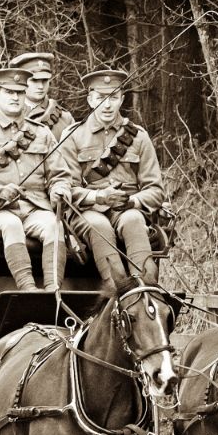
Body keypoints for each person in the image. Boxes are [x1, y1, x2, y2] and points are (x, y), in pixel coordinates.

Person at [0, 67, 72, 291]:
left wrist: (60, 190)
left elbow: (59, 175)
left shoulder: (41, 133)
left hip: (35, 208)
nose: (15, 97)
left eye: (19, 92)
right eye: (8, 92)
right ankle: (28, 289)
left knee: (53, 225)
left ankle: (52, 290)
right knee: (11, 225)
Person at [59, 69, 164, 285]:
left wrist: (132, 201)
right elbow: (66, 188)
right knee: (99, 225)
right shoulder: (73, 136)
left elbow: (155, 190)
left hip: (127, 209)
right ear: (90, 99)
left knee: (133, 219)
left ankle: (147, 290)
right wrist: (99, 197)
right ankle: (119, 290)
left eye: (113, 98)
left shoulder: (139, 137)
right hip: (87, 211)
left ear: (121, 100)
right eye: (101, 98)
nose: (107, 105)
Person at [10, 51, 75, 141]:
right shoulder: (5, 113)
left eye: (44, 80)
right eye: (34, 80)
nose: (41, 86)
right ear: (21, 80)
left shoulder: (64, 118)